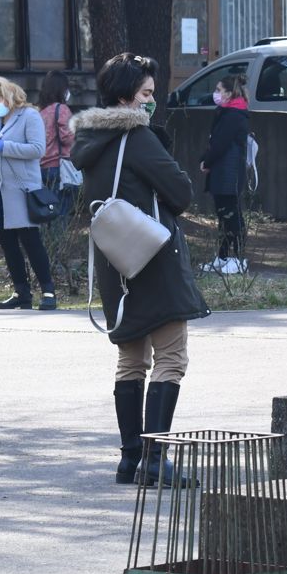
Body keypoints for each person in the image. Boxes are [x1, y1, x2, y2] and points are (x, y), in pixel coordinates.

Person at [70, 52, 210, 485]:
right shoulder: (137, 136)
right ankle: (155, 457)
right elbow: (181, 192)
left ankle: (130, 458)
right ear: (125, 97)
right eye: (146, 93)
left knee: (131, 359)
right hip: (153, 258)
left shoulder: (90, 143)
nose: (151, 102)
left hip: (117, 263)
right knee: (171, 357)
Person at [0, 76, 57, 311]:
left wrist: (4, 146)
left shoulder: (29, 115)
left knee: (31, 242)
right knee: (8, 245)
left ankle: (48, 291)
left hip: (21, 190)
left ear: (8, 96)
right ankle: (21, 292)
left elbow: (37, 149)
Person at [199, 71, 251, 274]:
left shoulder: (234, 115)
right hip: (223, 172)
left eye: (219, 90)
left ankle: (238, 257)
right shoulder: (227, 113)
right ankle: (223, 256)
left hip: (229, 174)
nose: (216, 93)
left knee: (231, 216)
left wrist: (207, 161)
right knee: (223, 216)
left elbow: (220, 144)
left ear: (229, 93)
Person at [34, 69, 75, 205]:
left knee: (48, 209)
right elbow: (67, 138)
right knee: (62, 209)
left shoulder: (40, 112)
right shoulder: (61, 109)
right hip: (59, 168)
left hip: (41, 168)